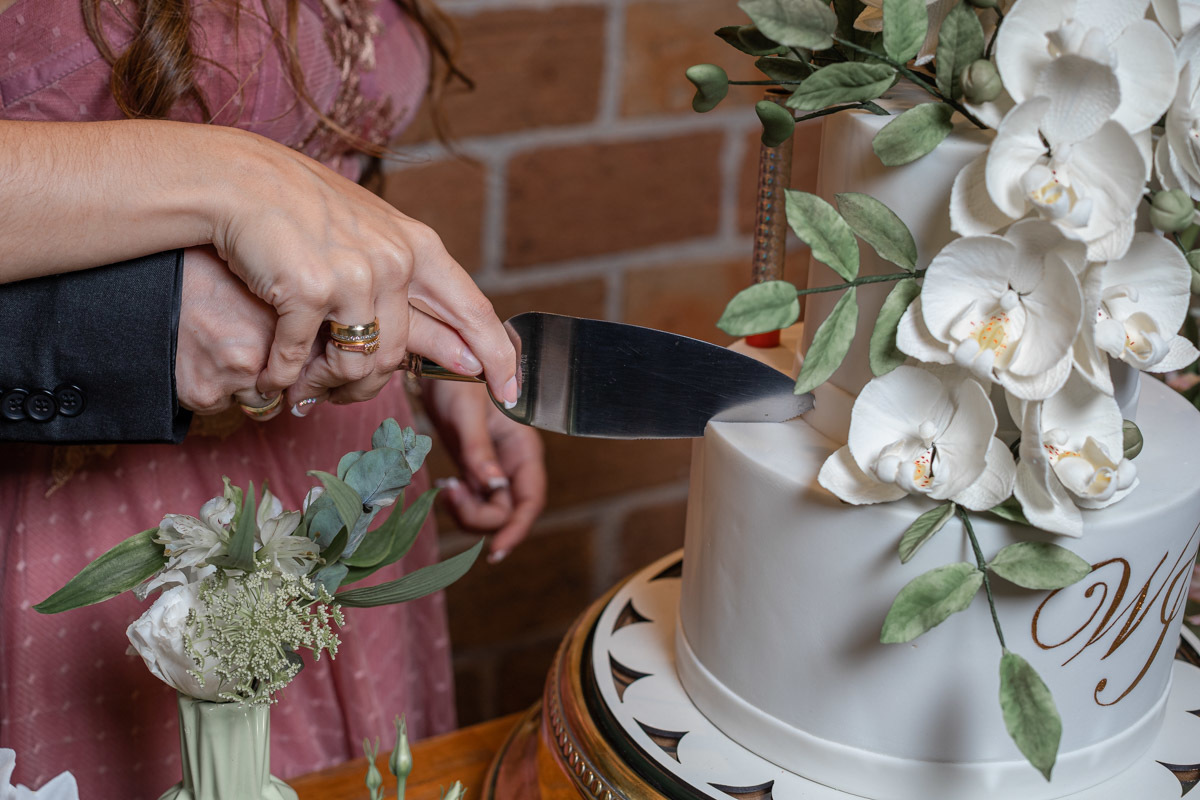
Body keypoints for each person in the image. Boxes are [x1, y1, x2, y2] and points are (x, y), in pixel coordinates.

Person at [0, 1, 547, 796]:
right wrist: (228, 173)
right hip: (80, 511)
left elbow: (332, 160)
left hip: (336, 487)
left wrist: (420, 343)